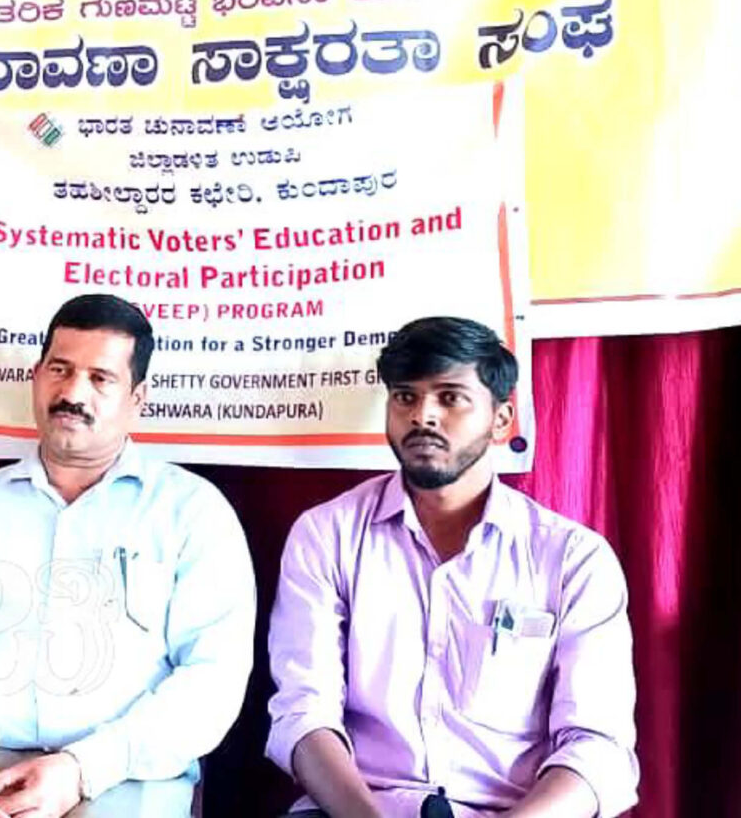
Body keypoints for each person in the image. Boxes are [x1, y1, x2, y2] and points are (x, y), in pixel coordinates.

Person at [0, 293, 255, 818]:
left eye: (101, 378)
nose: (73, 393)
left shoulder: (192, 512)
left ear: (137, 399)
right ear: (35, 377)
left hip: (121, 772)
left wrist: (82, 767)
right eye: (60, 369)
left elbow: (213, 677)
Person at [265, 317, 638, 818]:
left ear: (501, 419)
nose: (423, 416)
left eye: (450, 398)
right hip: (355, 809)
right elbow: (303, 713)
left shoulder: (572, 558)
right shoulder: (327, 534)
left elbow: (597, 745)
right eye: (405, 397)